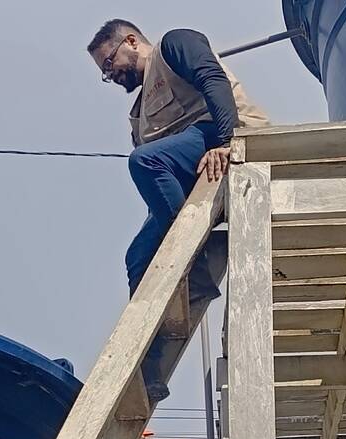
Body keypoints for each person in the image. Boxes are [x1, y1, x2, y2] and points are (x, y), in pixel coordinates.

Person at [87, 19, 269, 401]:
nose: (111, 76)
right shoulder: (138, 117)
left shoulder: (174, 47)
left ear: (131, 41)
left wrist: (228, 143)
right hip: (191, 180)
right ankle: (151, 370)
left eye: (109, 64)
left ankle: (193, 259)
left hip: (223, 140)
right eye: (105, 73)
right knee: (137, 257)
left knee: (143, 161)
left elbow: (214, 82)